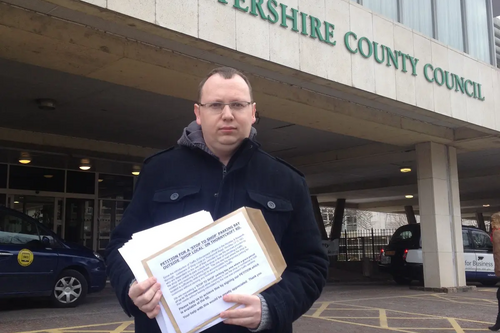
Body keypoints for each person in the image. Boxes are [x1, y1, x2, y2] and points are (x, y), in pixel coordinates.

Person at [105, 66, 329, 333]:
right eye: (215, 105)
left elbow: (311, 263)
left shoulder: (287, 180)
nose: (227, 114)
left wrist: (273, 307)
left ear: (253, 112)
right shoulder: (159, 171)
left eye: (238, 104)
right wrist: (131, 287)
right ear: (198, 113)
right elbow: (120, 246)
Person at [489, 212, 500, 331]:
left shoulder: (497, 233)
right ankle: (498, 323)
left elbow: (498, 254)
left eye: (493, 221)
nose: (492, 224)